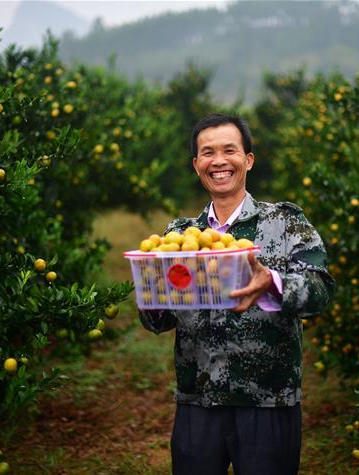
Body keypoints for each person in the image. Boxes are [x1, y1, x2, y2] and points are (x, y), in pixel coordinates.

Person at [139, 113, 335, 474]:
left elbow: (320, 290)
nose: (219, 161)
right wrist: (152, 291)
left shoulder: (285, 223)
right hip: (198, 401)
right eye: (207, 152)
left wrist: (273, 282)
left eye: (230, 150)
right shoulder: (179, 236)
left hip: (268, 401)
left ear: (248, 159)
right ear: (196, 164)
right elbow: (158, 320)